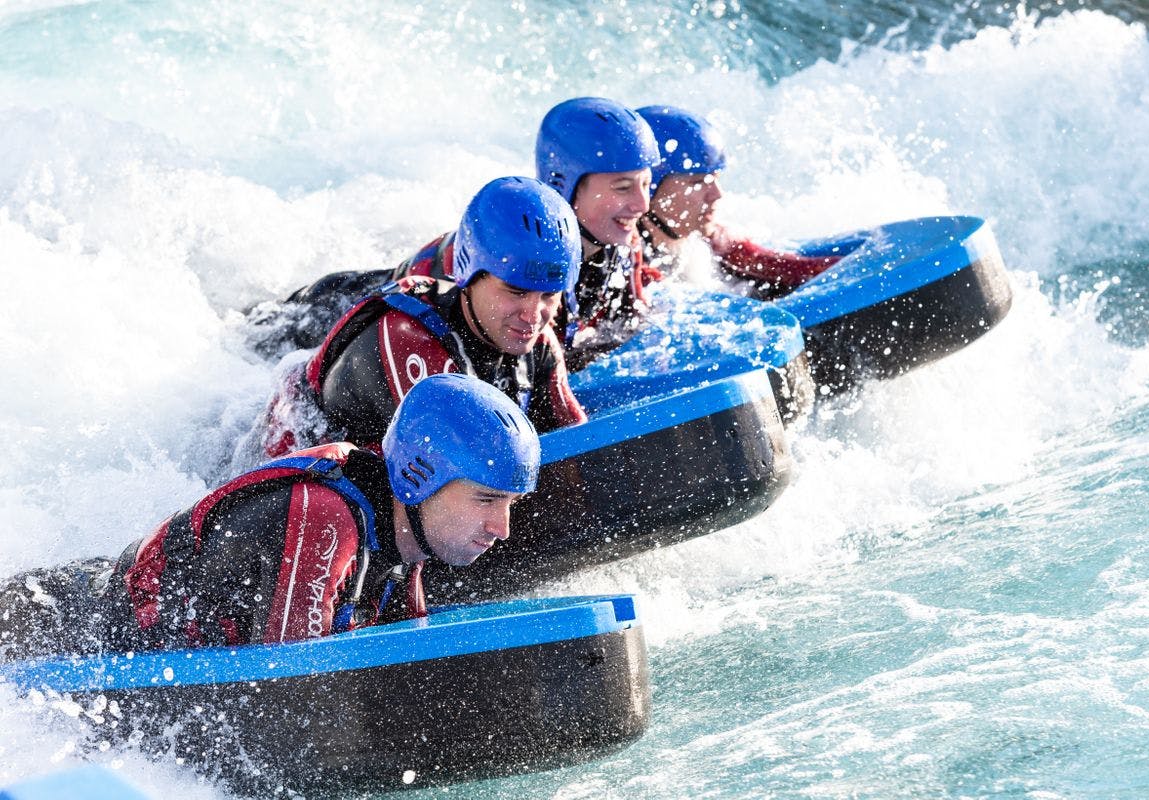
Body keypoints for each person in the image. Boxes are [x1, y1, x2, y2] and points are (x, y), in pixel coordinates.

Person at [0, 374, 540, 661]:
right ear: (421, 478)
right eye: (487, 500)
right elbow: (290, 694)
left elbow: (408, 660)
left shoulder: (406, 538)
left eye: (510, 505)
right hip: (47, 622)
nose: (502, 528)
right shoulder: (324, 518)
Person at [262, 176, 586, 457]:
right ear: (469, 276)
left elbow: (577, 447)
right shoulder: (411, 341)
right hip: (288, 436)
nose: (533, 315)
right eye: (515, 292)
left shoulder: (536, 343)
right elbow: (457, 492)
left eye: (548, 295)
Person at [634, 105, 840, 296]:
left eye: (716, 179)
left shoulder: (714, 241)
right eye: (697, 182)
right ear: (647, 187)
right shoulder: (625, 266)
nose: (717, 194)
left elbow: (799, 270)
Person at [532, 97, 661, 366]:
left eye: (646, 184)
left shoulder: (625, 243)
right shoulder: (532, 265)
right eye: (623, 187)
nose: (643, 205)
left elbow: (633, 323)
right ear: (564, 187)